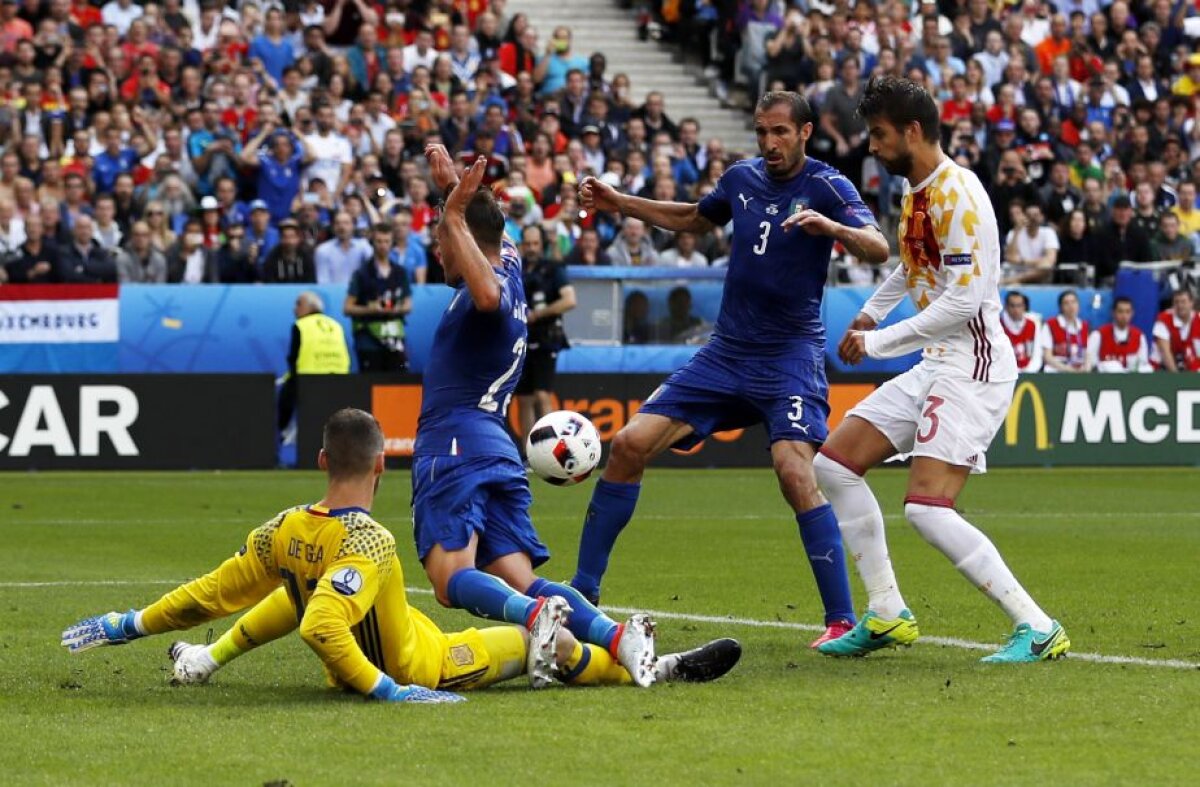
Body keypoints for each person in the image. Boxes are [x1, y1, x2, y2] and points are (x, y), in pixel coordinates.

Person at [62, 409, 741, 699]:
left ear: (324, 459)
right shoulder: (370, 541)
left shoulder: (282, 529)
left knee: (297, 591)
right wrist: (394, 691)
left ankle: (202, 663)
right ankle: (655, 667)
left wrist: (129, 624)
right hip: (434, 662)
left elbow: (213, 594)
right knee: (544, 638)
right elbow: (322, 626)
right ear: (380, 468)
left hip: (391, 641)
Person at [572, 91, 889, 649]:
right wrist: (619, 201)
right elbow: (693, 219)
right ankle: (583, 592)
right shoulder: (742, 179)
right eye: (762, 131)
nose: (769, 143)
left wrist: (832, 230)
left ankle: (840, 619)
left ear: (805, 132)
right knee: (625, 444)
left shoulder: (829, 186)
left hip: (789, 356)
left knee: (794, 473)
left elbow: (878, 247)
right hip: (726, 354)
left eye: (780, 133)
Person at [812, 77, 1069, 663]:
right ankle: (885, 614)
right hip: (937, 362)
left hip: (973, 366)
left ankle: (1038, 625)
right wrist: (866, 317)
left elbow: (963, 301)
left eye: (878, 135)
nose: (871, 147)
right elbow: (911, 266)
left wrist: (877, 344)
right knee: (835, 464)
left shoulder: (962, 195)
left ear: (913, 131)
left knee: (926, 508)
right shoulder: (915, 192)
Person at [411, 145, 661, 688]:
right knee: (519, 578)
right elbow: (488, 232)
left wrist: (451, 214)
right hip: (497, 446)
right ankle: (618, 637)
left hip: (455, 444)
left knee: (451, 580)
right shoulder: (513, 261)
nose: (438, 250)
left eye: (442, 240)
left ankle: (536, 620)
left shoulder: (492, 290)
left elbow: (483, 292)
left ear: (464, 240)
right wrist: (453, 192)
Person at [515, 224, 575, 448]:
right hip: (522, 339)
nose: (531, 248)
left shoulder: (554, 268)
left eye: (535, 243)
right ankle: (528, 454)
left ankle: (549, 450)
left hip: (546, 337)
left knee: (542, 395)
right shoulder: (516, 269)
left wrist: (538, 314)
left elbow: (569, 300)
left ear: (542, 244)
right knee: (523, 399)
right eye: (527, 244)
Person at [278, 292, 351, 436]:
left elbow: (293, 358)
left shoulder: (301, 325)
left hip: (307, 381)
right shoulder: (336, 325)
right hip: (339, 381)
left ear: (310, 306)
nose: (294, 308)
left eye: (298, 303)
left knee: (284, 396)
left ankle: (283, 432)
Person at [344, 222, 412, 373]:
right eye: (379, 241)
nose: (383, 245)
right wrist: (370, 309)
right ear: (372, 243)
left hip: (394, 337)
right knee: (371, 384)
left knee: (397, 384)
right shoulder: (362, 273)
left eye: (387, 241)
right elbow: (347, 307)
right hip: (368, 338)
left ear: (392, 243)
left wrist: (395, 309)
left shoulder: (400, 272)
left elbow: (408, 304)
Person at [1087, 296, 1151, 373]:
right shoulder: (1098, 334)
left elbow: (1143, 364)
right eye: (1120, 311)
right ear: (1113, 313)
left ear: (1132, 313)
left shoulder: (1140, 336)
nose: (1124, 316)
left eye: (1128, 312)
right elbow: (1091, 363)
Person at [1003, 200, 1059, 284]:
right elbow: (1010, 258)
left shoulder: (1048, 232)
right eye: (1029, 215)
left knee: (1046, 266)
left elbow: (1051, 259)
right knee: (1014, 284)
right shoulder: (1013, 233)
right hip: (1018, 273)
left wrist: (1023, 262)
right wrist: (1017, 230)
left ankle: (1017, 279)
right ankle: (1016, 280)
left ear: (1042, 217)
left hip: (1040, 276)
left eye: (1036, 215)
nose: (1032, 218)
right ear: (1024, 217)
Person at [315, 210, 371, 284]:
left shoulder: (363, 246)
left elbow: (373, 270)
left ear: (353, 226)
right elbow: (323, 280)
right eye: (337, 223)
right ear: (333, 227)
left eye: (346, 223)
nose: (341, 227)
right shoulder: (323, 250)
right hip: (334, 293)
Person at [1040, 289, 1090, 372]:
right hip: (1057, 369)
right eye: (1066, 303)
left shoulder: (1084, 326)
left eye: (1074, 302)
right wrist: (1068, 370)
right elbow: (1047, 356)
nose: (1071, 306)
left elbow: (1088, 354)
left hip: (1079, 369)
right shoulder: (1051, 324)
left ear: (1078, 305)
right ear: (1060, 307)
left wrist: (1086, 368)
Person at [1152, 289, 1200, 372]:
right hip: (1162, 365)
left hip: (1189, 362)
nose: (1180, 305)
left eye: (1183, 302)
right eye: (1176, 302)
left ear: (1191, 303)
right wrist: (1177, 379)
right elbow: (1165, 352)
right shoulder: (1163, 319)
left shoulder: (1198, 319)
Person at [999, 290, 1043, 372]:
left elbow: (1037, 354)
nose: (1016, 310)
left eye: (1019, 306)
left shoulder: (1033, 324)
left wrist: (1029, 371)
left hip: (1030, 371)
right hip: (1006, 372)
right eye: (1012, 306)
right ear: (1006, 307)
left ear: (1024, 307)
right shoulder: (998, 325)